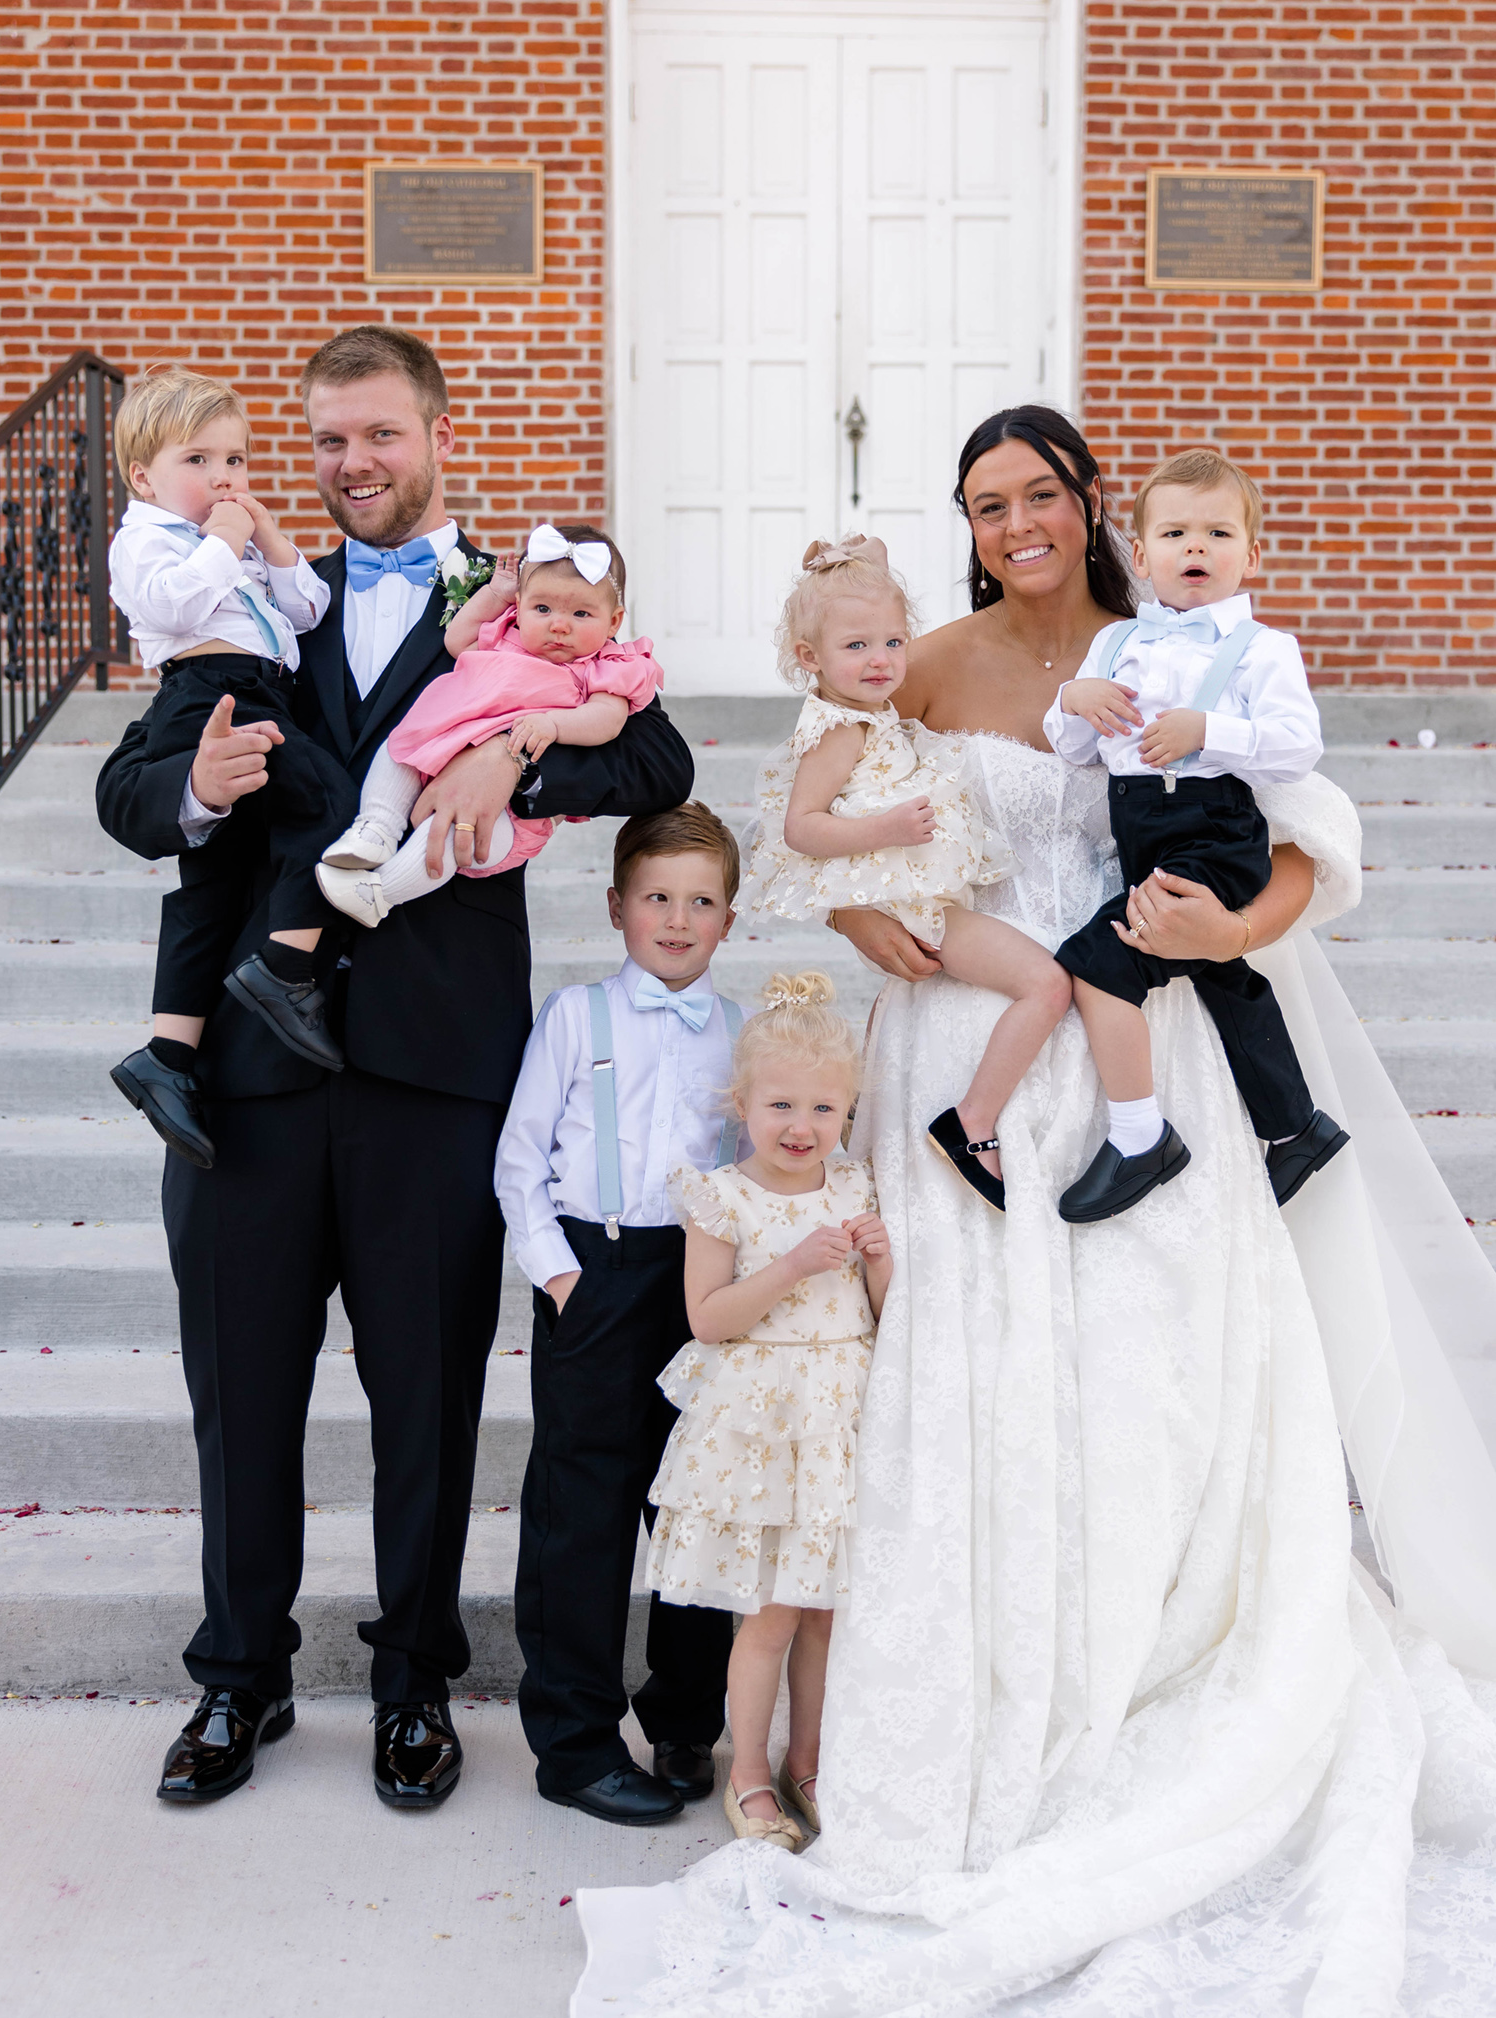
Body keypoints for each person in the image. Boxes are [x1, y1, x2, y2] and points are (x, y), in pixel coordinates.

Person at [572, 405, 1496, 2016]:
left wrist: (1232, 923)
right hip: (963, 1045)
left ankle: (1149, 1693)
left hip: (1149, 1052)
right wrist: (867, 911)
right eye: (985, 503)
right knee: (961, 1402)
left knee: (1158, 1388)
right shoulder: (921, 659)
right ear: (969, 522)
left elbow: (1309, 834)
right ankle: (980, 1726)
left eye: (1040, 493)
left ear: (1087, 498)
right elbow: (814, 803)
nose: (1016, 522)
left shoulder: (1186, 638)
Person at [94, 325, 695, 1812]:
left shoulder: (528, 598)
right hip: (245, 1066)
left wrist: (525, 760)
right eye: (325, 440)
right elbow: (127, 787)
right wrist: (189, 788)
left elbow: (659, 756)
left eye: (377, 434)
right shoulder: (239, 583)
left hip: (436, 1070)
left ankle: (414, 1679)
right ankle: (240, 1679)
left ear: (435, 432)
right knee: (241, 1393)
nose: (348, 463)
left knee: (425, 1396)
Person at [494, 804, 742, 1827]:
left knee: (694, 1505)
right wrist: (560, 1279)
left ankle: (685, 1720)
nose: (676, 919)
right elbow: (518, 1161)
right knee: (582, 1510)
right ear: (616, 907)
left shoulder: (741, 1032)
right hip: (593, 1271)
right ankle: (576, 1743)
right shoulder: (574, 1018)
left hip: (700, 1282)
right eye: (656, 898)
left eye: (700, 901)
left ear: (731, 917)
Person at [1044, 446, 1349, 1222]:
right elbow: (1076, 750)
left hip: (1213, 831)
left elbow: (1296, 748)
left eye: (1218, 534)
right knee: (1224, 977)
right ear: (1141, 554)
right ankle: (1295, 1129)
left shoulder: (1263, 650)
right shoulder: (1116, 644)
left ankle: (1141, 1136)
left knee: (1099, 961)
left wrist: (1209, 729)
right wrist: (1074, 700)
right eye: (1176, 534)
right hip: (1140, 829)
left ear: (1251, 554)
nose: (1196, 549)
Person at [740, 534, 1068, 1213]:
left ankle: (966, 1118)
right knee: (1045, 984)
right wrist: (884, 830)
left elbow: (867, 614)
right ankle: (973, 1122)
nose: (881, 661)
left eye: (893, 643)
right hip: (924, 914)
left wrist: (873, 565)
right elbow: (800, 826)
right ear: (810, 659)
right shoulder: (838, 730)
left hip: (928, 898)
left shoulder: (866, 708)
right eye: (857, 648)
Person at [647, 973, 892, 1851]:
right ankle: (747, 1768)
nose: (802, 1127)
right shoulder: (723, 1197)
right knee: (772, 1610)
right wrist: (790, 1265)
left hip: (840, 1420)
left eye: (823, 1109)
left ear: (850, 1111)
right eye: (781, 1104)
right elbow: (707, 1319)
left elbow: (883, 1308)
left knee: (828, 1609)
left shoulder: (857, 1187)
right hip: (762, 1426)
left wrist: (878, 1258)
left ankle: (810, 1758)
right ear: (741, 1102)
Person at [105, 367, 358, 1166]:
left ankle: (168, 1054)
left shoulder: (235, 541)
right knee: (327, 803)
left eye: (237, 460)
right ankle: (285, 966)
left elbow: (308, 612)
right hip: (208, 692)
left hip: (255, 687)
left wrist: (271, 542)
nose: (223, 478)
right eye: (199, 460)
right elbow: (174, 607)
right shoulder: (144, 539)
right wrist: (223, 542)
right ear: (145, 477)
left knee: (209, 887)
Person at [317, 523, 659, 926]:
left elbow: (607, 720)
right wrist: (493, 595)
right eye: (542, 609)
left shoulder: (604, 666)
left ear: (615, 621)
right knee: (399, 752)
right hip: (444, 743)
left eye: (581, 613)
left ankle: (380, 893)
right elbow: (456, 640)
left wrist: (554, 725)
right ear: (520, 604)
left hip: (505, 811)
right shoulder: (507, 633)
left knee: (449, 836)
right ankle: (375, 829)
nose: (559, 625)